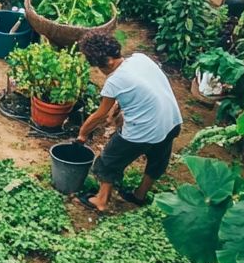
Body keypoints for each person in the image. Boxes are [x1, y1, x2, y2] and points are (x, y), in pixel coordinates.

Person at [75, 34, 182, 212]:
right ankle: (139, 195)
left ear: (108, 61)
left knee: (108, 160)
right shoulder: (140, 59)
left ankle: (101, 201)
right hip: (171, 121)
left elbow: (100, 115)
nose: (100, 71)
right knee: (157, 159)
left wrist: (83, 134)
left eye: (99, 67)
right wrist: (119, 108)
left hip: (146, 129)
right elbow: (141, 89)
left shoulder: (114, 81)